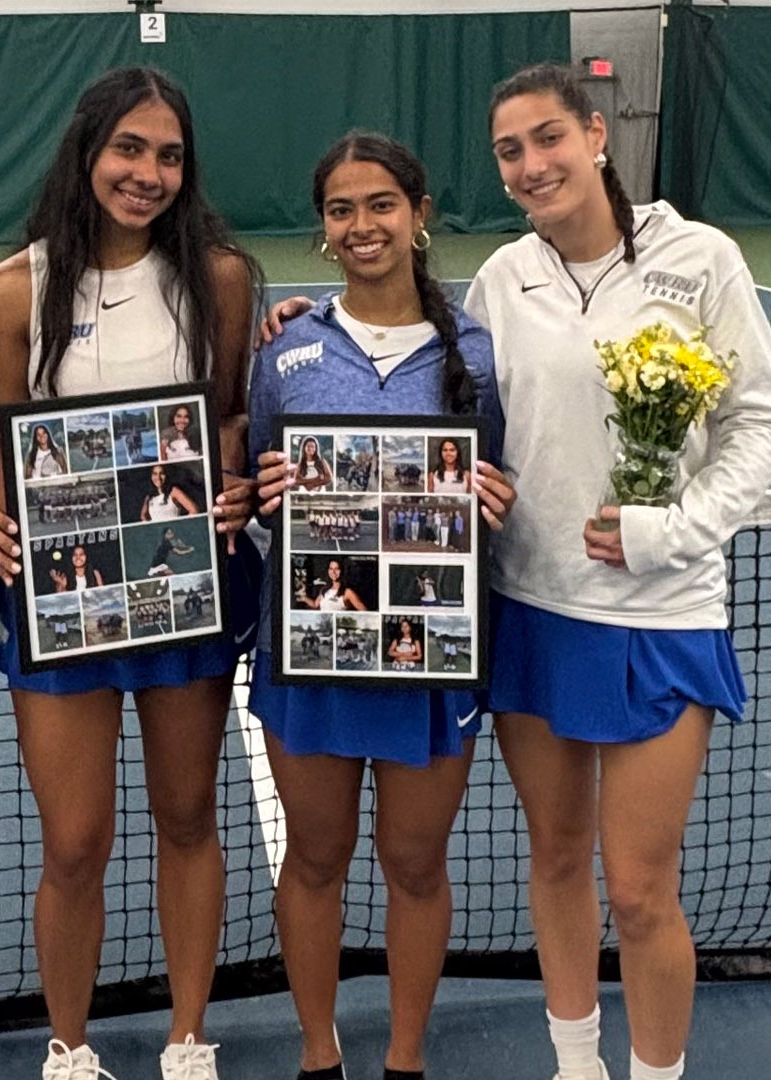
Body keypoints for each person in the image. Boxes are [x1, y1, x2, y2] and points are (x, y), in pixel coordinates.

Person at [465, 65, 771, 1080]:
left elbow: (763, 422)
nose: (532, 165)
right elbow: (464, 421)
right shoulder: (501, 280)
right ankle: (576, 1063)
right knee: (557, 860)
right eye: (510, 151)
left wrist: (675, 530)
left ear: (597, 135)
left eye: (548, 138)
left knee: (643, 889)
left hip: (663, 613)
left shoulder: (702, 258)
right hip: (532, 608)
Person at [0, 66, 262, 1080]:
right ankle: (70, 1044)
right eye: (129, 149)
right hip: (63, 600)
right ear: (87, 152)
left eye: (168, 155)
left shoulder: (220, 277)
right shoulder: (16, 289)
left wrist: (232, 482)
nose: (148, 173)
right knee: (74, 842)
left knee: (188, 818)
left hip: (187, 590)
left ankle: (188, 1036)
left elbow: (229, 414)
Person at [247, 131, 515, 1080]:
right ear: (323, 228)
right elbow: (259, 486)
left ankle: (405, 1058)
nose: (362, 225)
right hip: (311, 650)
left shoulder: (477, 351)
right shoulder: (286, 350)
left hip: (430, 653)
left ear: (419, 214)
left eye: (381, 204)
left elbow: (493, 476)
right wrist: (268, 491)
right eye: (341, 209)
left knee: (415, 864)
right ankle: (318, 1053)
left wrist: (494, 496)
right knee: (315, 858)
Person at [293, 556, 368, 612]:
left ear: (342, 571)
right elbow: (315, 604)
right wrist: (304, 598)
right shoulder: (324, 590)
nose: (333, 572)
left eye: (337, 569)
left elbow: (364, 611)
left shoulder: (348, 592)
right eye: (331, 569)